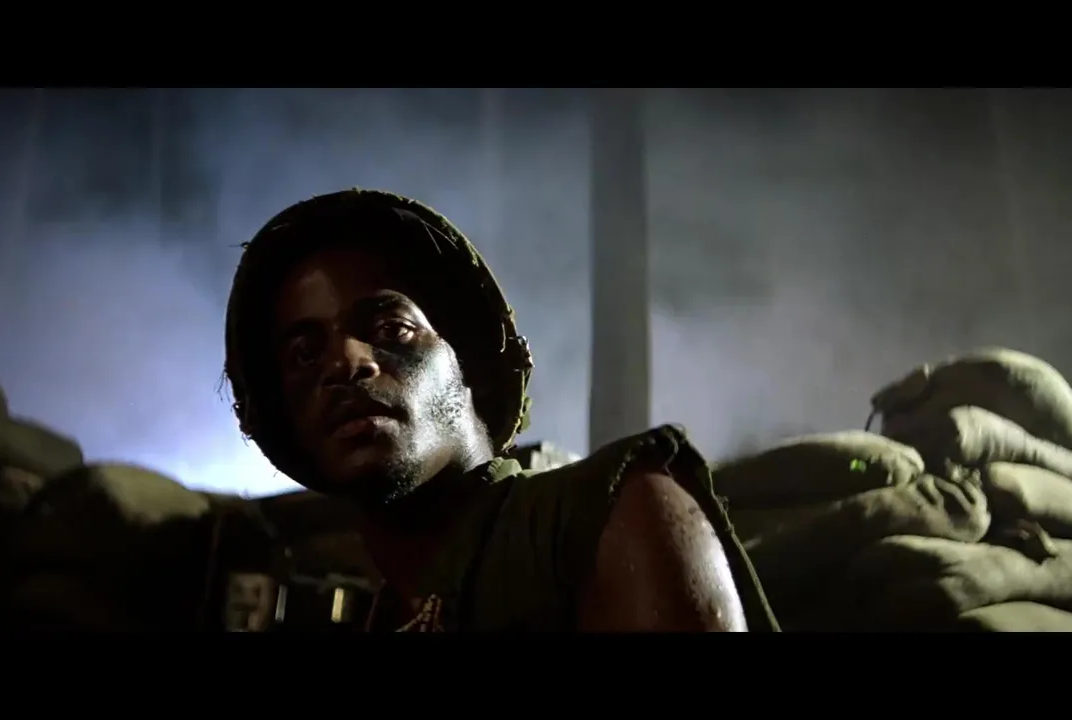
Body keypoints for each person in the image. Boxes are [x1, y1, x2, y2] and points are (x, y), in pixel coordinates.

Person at [223, 189, 777, 631]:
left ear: (468, 365)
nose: (347, 361)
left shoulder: (604, 513)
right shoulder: (391, 615)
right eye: (305, 354)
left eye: (392, 329)